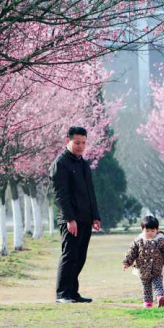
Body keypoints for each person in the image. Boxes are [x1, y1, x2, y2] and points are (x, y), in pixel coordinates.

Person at [49, 126, 101, 303]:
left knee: (80, 256)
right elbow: (60, 195)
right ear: (67, 141)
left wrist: (96, 216)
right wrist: (69, 219)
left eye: (84, 143)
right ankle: (62, 294)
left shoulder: (83, 163)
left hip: (86, 218)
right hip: (71, 219)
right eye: (77, 142)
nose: (80, 146)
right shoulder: (60, 164)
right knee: (69, 255)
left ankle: (73, 292)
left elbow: (90, 192)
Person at [123, 216, 164, 308]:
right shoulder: (138, 241)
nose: (150, 233)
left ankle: (160, 298)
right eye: (147, 231)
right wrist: (127, 262)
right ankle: (148, 303)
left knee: (158, 285)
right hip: (143, 270)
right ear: (142, 230)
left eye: (152, 231)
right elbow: (132, 252)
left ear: (157, 229)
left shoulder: (161, 241)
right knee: (146, 287)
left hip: (157, 269)